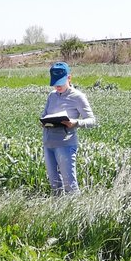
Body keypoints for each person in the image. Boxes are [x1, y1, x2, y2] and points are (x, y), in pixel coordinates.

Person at [40, 62, 96, 194]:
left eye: (60, 82)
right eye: (55, 83)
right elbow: (44, 115)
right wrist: (43, 122)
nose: (57, 86)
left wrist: (75, 123)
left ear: (69, 78)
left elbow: (92, 121)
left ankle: (76, 206)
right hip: (48, 144)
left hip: (65, 145)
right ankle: (58, 207)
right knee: (55, 185)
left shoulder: (78, 97)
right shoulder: (52, 96)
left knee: (70, 185)